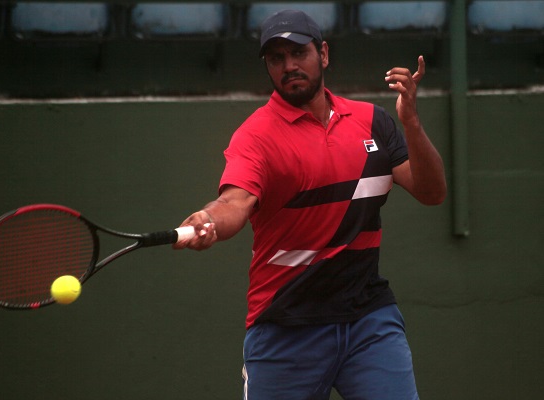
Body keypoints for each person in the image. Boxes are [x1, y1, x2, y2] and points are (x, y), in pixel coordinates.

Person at [174, 9, 446, 400]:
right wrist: (210, 221)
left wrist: (412, 124)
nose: (289, 66)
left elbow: (432, 192)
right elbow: (234, 201)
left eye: (298, 53)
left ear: (323, 54)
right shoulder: (256, 137)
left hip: (369, 320)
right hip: (286, 328)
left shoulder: (373, 122)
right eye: (276, 59)